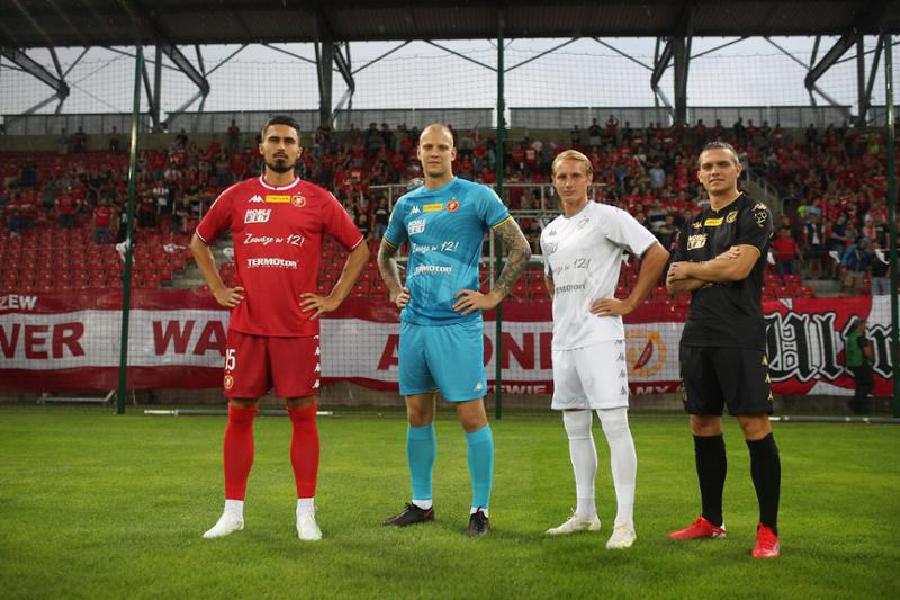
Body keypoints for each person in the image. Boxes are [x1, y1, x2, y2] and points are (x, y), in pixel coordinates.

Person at [191, 115, 369, 541]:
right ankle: (232, 512)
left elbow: (359, 248)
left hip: (297, 328)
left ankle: (306, 513)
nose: (281, 147)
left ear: (299, 151)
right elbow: (199, 242)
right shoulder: (236, 196)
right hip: (247, 327)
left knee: (303, 416)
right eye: (274, 139)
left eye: (289, 141)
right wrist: (217, 288)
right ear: (261, 147)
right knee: (239, 414)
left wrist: (334, 297)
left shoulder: (318, 199)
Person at [377, 123, 530, 537]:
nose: (434, 153)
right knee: (416, 414)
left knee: (471, 417)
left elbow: (521, 247)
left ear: (453, 153)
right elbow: (384, 254)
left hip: (457, 325)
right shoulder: (407, 204)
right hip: (415, 324)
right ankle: (421, 504)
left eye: (441, 147)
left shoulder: (477, 196)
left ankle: (480, 510)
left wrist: (493, 295)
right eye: (427, 147)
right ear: (418, 153)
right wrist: (394, 288)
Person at [540, 150, 669, 549]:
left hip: (599, 335)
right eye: (562, 176)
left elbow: (657, 253)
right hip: (564, 340)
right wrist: (566, 309)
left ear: (589, 178)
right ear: (554, 180)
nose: (568, 183)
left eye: (575, 175)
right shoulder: (549, 232)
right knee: (576, 428)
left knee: (614, 425)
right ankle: (586, 514)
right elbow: (550, 279)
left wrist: (629, 302)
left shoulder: (608, 217)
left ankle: (625, 523)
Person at [666, 141, 782, 559]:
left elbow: (740, 267)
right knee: (702, 423)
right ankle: (710, 520)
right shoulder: (692, 224)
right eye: (707, 166)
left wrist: (697, 268)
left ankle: (768, 530)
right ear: (699, 175)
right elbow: (674, 282)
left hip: (740, 333)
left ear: (737, 170)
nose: (714, 171)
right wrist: (716, 268)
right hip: (698, 333)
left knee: (753, 425)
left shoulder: (755, 212)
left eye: (722, 165)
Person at [845, 318, 875, 414]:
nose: (865, 327)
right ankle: (855, 403)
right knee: (867, 384)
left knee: (860, 385)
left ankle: (858, 407)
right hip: (862, 364)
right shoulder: (861, 338)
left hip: (854, 364)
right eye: (864, 325)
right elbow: (867, 353)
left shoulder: (851, 336)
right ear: (859, 326)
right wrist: (872, 359)